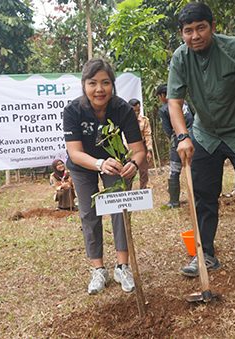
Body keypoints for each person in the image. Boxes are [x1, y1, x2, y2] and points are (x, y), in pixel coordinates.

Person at [167, 2, 235, 285]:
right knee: (203, 194)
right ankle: (205, 253)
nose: (195, 36)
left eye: (201, 28)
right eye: (188, 31)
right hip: (205, 135)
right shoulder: (180, 58)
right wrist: (183, 137)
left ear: (212, 28)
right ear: (182, 33)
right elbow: (174, 102)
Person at [63, 58, 146, 294]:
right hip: (84, 166)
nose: (99, 89)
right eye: (92, 83)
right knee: (89, 212)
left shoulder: (123, 109)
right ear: (84, 85)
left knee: (120, 207)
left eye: (105, 83)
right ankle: (99, 269)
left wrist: (133, 163)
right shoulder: (72, 111)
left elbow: (138, 151)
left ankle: (122, 266)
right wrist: (99, 163)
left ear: (113, 85)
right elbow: (75, 153)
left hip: (115, 164)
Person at [156, 82, 194, 209]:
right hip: (194, 137)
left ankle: (174, 201)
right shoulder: (185, 102)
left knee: (175, 170)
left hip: (178, 139)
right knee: (195, 167)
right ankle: (197, 196)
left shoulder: (165, 109)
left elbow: (167, 130)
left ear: (162, 95)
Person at [128, 99, 153, 189]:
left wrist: (149, 150)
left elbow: (148, 135)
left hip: (142, 146)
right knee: (128, 171)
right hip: (128, 148)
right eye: (134, 110)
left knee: (144, 171)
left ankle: (143, 192)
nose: (137, 112)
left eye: (138, 110)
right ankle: (127, 192)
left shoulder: (144, 121)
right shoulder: (125, 121)